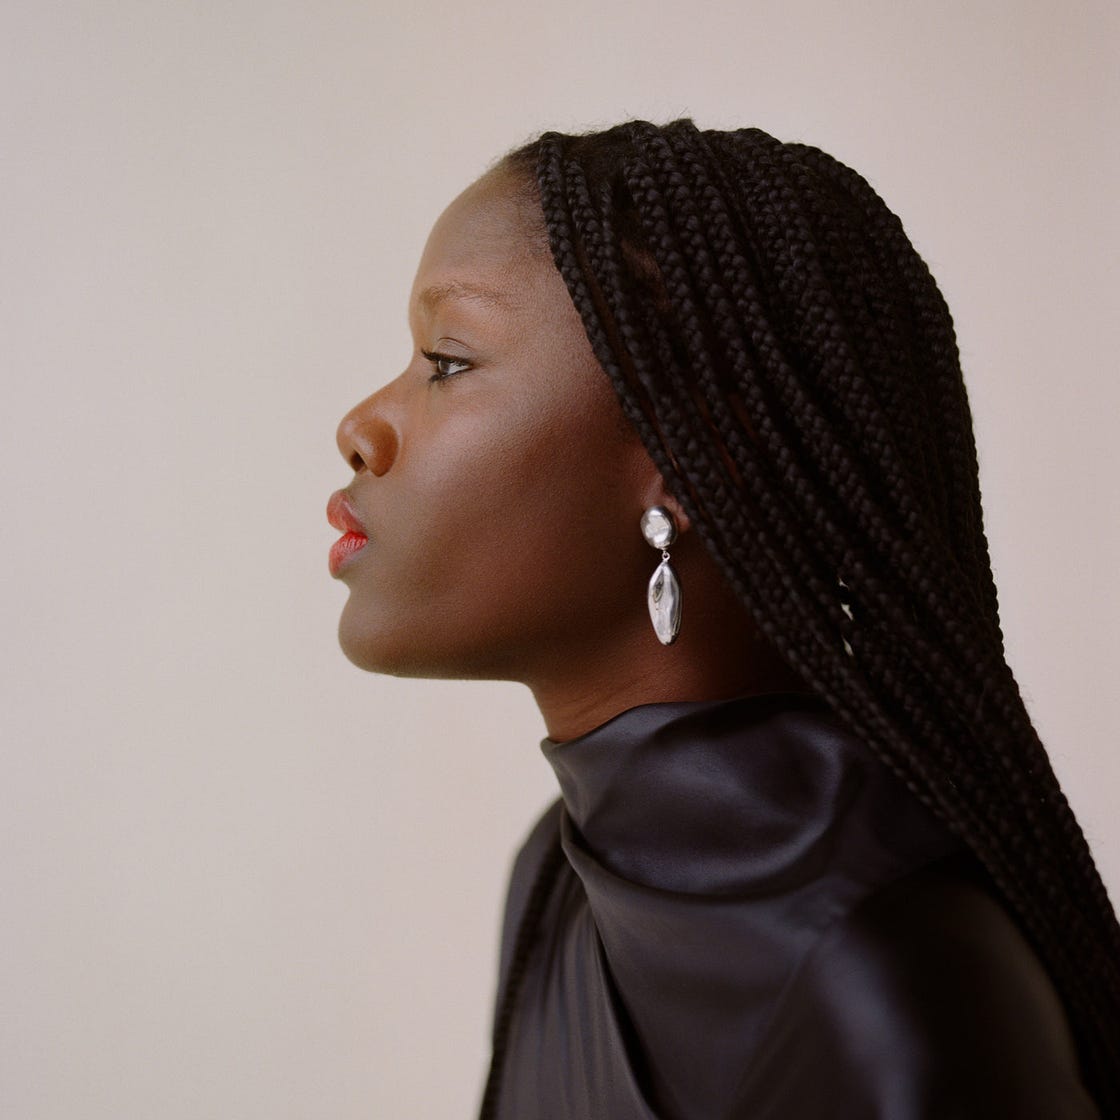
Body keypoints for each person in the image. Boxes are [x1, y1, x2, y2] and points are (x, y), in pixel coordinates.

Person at [328, 120, 1119, 1118]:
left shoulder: (888, 989)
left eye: (446, 360)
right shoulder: (563, 878)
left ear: (689, 451)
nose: (359, 425)